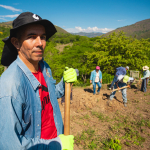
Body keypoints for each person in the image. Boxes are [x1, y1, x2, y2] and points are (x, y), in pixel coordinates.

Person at [0, 12, 77, 150]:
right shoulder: (10, 86)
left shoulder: (44, 67)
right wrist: (56, 145)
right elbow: (10, 146)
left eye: (43, 37)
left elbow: (50, 96)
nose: (40, 43)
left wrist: (65, 82)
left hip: (57, 136)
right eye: (32, 37)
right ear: (16, 42)